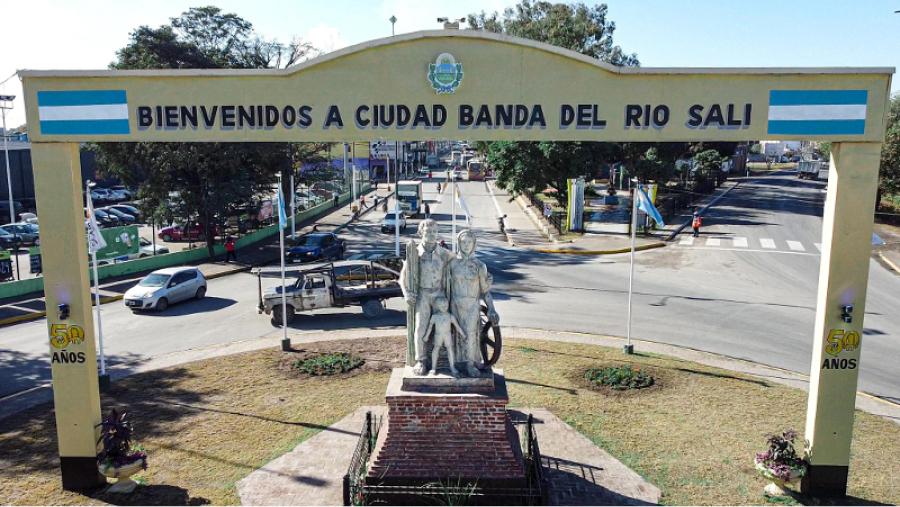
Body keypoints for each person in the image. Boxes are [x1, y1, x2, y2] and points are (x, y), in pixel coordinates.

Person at [423, 296, 462, 377]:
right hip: (438, 336)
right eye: (442, 306)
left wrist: (463, 334)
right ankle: (433, 368)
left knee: (450, 350)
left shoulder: (450, 316)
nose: (444, 307)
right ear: (437, 306)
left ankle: (452, 367)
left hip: (447, 335)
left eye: (446, 305)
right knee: (436, 349)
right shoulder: (434, 316)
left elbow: (457, 326)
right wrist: (426, 336)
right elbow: (430, 327)